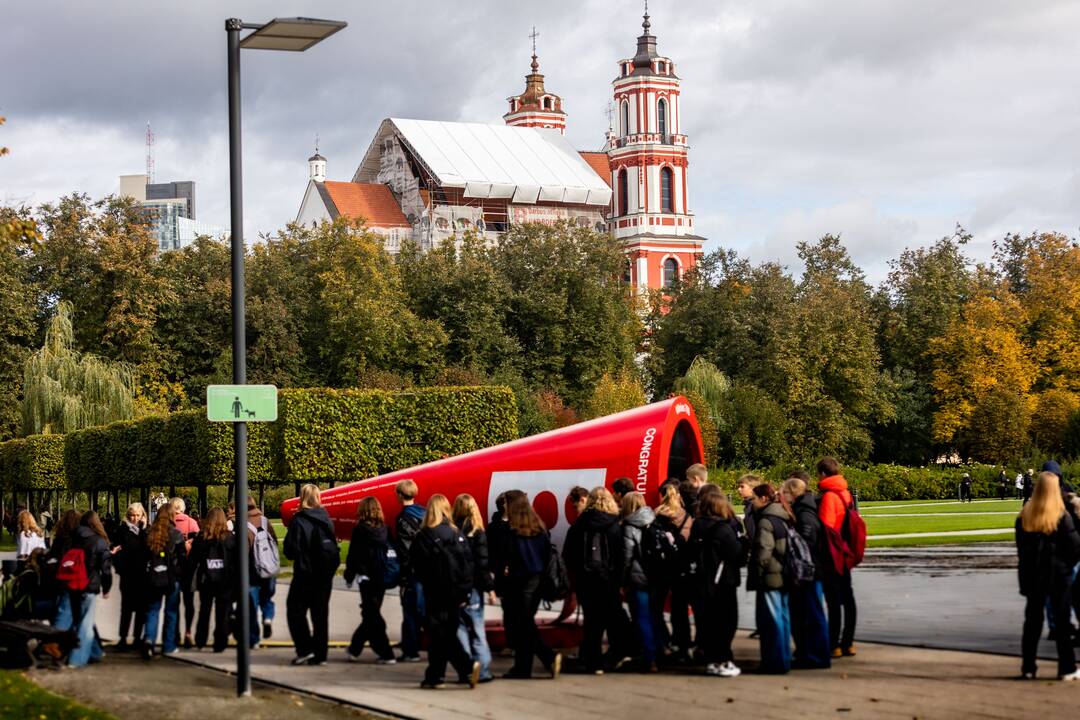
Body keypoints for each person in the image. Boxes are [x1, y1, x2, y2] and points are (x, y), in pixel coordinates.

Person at [409, 494, 480, 689]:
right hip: (456, 592)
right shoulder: (457, 534)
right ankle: (447, 673)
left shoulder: (424, 536)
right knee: (446, 633)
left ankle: (449, 672)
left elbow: (417, 565)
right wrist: (465, 591)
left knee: (438, 635)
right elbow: (468, 564)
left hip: (435, 592)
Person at [1016, 471, 1080, 680]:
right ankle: (1067, 667)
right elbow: (1075, 547)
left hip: (1033, 573)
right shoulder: (1061, 516)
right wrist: (1065, 566)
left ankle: (1028, 667)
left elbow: (1022, 550)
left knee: (1032, 622)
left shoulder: (1025, 515)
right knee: (1062, 622)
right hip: (1058, 574)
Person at [563, 486, 627, 674]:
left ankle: (593, 662)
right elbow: (621, 556)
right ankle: (617, 655)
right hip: (609, 581)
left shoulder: (579, 525)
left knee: (592, 623)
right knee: (613, 618)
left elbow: (569, 555)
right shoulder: (615, 525)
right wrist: (620, 581)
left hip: (586, 581)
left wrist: (575, 581)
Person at [496, 494, 561, 679]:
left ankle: (547, 656)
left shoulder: (513, 533)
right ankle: (523, 667)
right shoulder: (539, 529)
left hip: (519, 582)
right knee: (525, 624)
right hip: (537, 582)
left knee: (522, 625)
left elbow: (507, 559)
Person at [283, 483, 340, 666]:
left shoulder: (299, 520)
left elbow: (290, 551)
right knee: (320, 615)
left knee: (295, 611)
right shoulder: (326, 519)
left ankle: (305, 648)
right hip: (324, 575)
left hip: (305, 573)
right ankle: (320, 654)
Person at [689, 490, 743, 678]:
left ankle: (712, 659)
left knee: (708, 622)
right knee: (727, 621)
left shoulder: (697, 526)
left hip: (701, 580)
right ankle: (723, 659)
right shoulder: (723, 529)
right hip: (723, 581)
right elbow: (736, 555)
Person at [782, 475, 831, 669]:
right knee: (808, 614)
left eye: (785, 492)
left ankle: (817, 656)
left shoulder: (805, 514)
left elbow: (806, 544)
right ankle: (809, 653)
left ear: (793, 493)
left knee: (813, 614)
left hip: (809, 572)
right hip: (811, 571)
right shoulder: (806, 510)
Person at [343, 497, 396, 664]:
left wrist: (349, 575)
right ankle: (356, 648)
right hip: (381, 576)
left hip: (366, 577)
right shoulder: (385, 529)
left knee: (371, 615)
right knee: (371, 613)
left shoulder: (360, 530)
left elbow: (354, 555)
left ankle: (384, 652)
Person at [748, 484, 793, 674]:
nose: (752, 502)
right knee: (782, 620)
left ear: (763, 499)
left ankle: (774, 662)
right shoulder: (783, 516)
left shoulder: (766, 521)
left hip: (770, 576)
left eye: (754, 498)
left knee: (771, 622)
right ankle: (783, 659)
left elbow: (763, 552)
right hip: (783, 574)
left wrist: (757, 573)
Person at [818, 457, 857, 657]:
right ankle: (848, 642)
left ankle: (833, 643)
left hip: (833, 555)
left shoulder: (828, 497)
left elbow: (827, 529)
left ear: (823, 474)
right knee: (848, 598)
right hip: (845, 551)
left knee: (834, 601)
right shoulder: (845, 494)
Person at [453, 494, 494, 683]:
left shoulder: (452, 531)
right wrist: (490, 588)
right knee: (478, 630)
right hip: (475, 588)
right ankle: (483, 669)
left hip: (456, 587)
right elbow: (482, 563)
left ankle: (467, 669)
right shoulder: (478, 532)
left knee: (460, 629)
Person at [620, 491, 660, 672]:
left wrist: (622, 580)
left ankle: (649, 657)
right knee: (653, 616)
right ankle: (658, 652)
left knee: (641, 617)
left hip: (637, 577)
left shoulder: (629, 526)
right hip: (655, 575)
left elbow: (627, 556)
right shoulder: (654, 519)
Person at [68, 511, 113, 668]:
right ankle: (76, 659)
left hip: (73, 585)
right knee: (86, 625)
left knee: (81, 620)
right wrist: (106, 588)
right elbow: (105, 570)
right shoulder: (99, 541)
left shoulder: (73, 538)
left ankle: (95, 652)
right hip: (89, 585)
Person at [654, 482, 693, 660]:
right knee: (680, 608)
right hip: (682, 565)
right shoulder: (687, 515)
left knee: (655, 607)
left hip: (663, 567)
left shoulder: (659, 515)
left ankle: (664, 641)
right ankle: (683, 644)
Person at [141, 504, 185, 659]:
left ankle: (149, 639)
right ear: (172, 516)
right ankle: (169, 646)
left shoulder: (149, 533)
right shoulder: (177, 534)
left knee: (152, 610)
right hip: (171, 577)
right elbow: (182, 558)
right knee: (171, 612)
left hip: (153, 577)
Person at [188, 507, 234, 652]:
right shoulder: (230, 538)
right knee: (223, 612)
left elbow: (192, 562)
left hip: (206, 578)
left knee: (205, 609)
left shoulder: (201, 538)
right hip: (225, 579)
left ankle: (201, 639)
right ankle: (220, 642)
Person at [394, 479, 427, 663]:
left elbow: (405, 550)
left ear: (399, 495)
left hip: (413, 572)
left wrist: (404, 575)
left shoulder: (403, 518)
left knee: (410, 613)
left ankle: (410, 650)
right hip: (428, 570)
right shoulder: (425, 512)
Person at [112, 502, 147, 651]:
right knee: (126, 608)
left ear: (142, 516)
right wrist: (120, 569)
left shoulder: (145, 530)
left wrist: (143, 530)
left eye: (137, 515)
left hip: (142, 575)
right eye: (132, 515)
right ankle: (123, 638)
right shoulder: (121, 530)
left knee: (141, 608)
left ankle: (137, 638)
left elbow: (148, 548)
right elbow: (115, 550)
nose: (134, 518)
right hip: (127, 574)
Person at [245, 497, 279, 647]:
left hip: (251, 571)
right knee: (267, 598)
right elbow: (274, 542)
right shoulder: (265, 521)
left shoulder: (243, 525)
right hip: (268, 567)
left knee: (251, 607)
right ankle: (267, 618)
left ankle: (254, 640)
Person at [44, 509, 82, 631]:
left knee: (63, 608)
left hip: (60, 578)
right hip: (75, 578)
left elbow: (52, 557)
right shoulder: (79, 539)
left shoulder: (60, 538)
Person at [170, 497, 200, 649]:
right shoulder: (191, 523)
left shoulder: (168, 524)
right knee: (189, 603)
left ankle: (175, 633)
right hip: (190, 567)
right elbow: (199, 543)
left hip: (174, 568)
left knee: (173, 604)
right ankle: (188, 631)